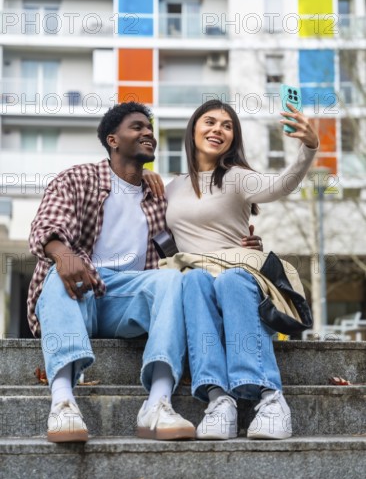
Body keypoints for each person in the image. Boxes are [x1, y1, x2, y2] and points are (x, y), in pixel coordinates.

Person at [27, 101, 262, 443]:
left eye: (150, 128)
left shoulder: (159, 198)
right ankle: (62, 400)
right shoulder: (79, 178)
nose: (148, 133)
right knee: (57, 272)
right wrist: (63, 254)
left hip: (128, 301)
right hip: (79, 291)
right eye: (137, 127)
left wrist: (242, 247)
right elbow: (46, 225)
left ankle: (158, 403)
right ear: (113, 140)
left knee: (172, 279)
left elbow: (198, 235)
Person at [145, 98, 319, 440]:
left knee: (231, 280)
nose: (217, 130)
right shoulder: (171, 186)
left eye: (227, 126)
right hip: (196, 280)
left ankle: (271, 399)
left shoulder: (238, 178)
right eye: (209, 122)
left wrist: (309, 147)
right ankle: (218, 399)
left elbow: (279, 185)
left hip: (237, 279)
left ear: (233, 139)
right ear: (193, 128)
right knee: (191, 280)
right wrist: (144, 176)